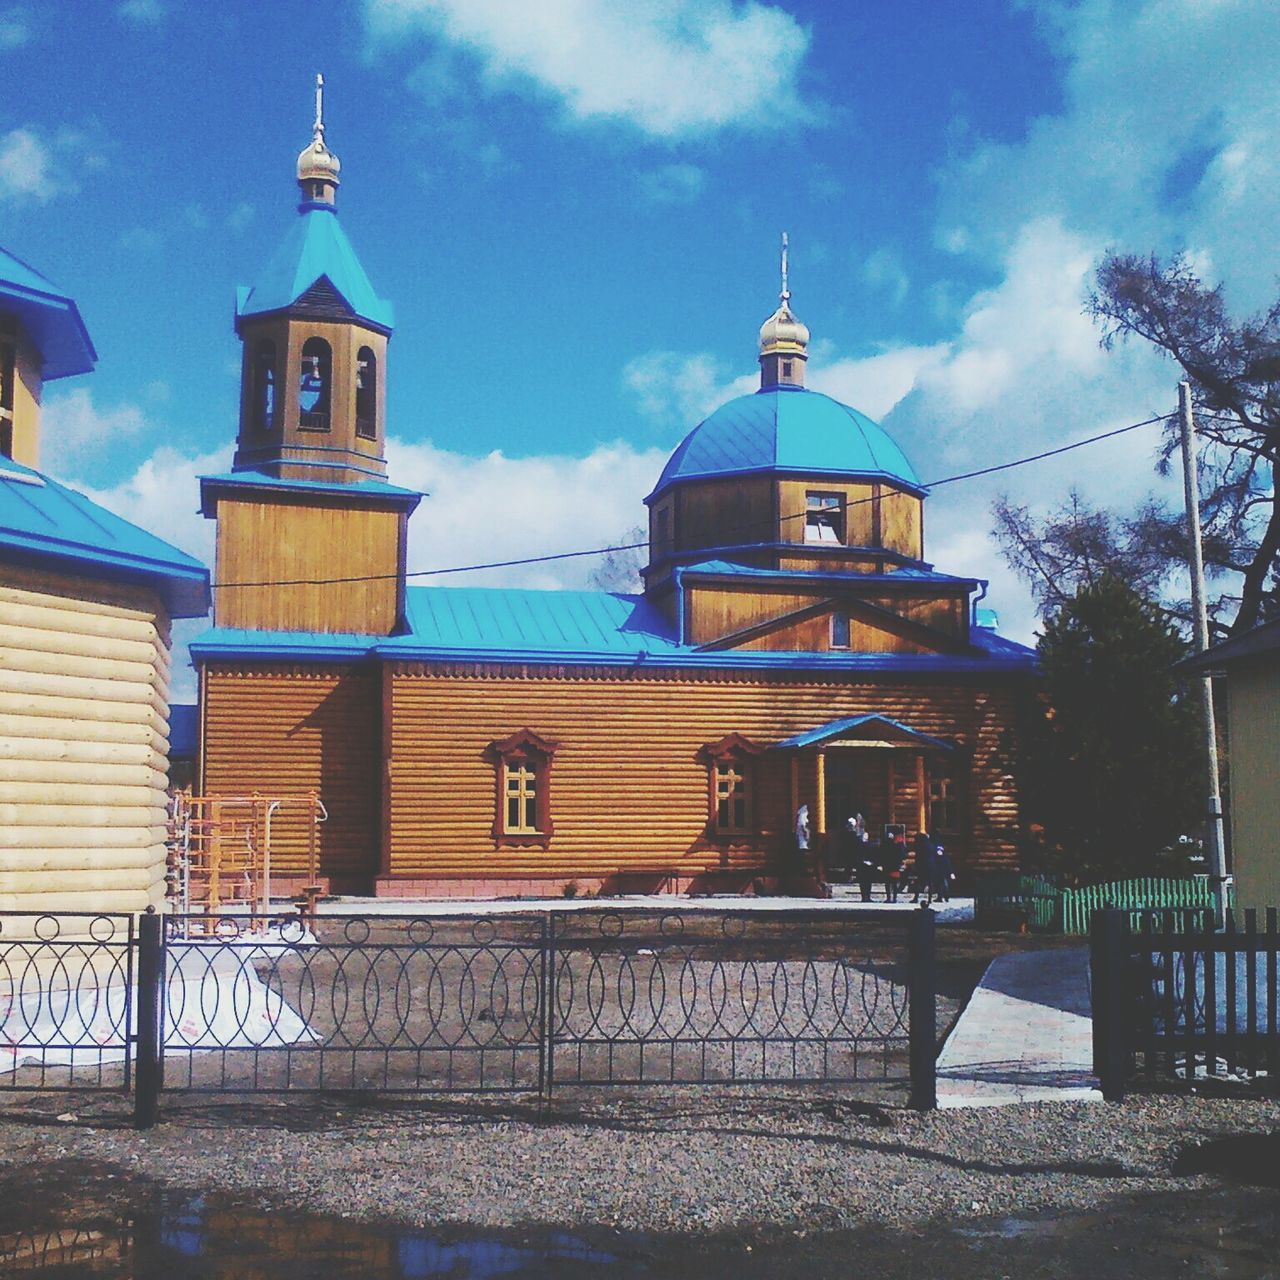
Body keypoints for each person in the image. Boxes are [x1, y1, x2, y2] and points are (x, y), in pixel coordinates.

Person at [849, 814, 876, 902]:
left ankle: (867, 896)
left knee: (868, 881)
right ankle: (864, 896)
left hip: (868, 863)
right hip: (861, 863)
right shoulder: (858, 842)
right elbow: (858, 853)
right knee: (863, 881)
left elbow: (871, 853)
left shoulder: (868, 844)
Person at [912, 830, 937, 904]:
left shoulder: (920, 846)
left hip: (922, 866)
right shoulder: (931, 845)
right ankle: (929, 899)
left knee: (919, 882)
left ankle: (916, 898)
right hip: (931, 866)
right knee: (930, 883)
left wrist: (916, 866)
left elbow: (918, 857)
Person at [881, 831, 907, 903]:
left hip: (887, 866)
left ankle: (889, 898)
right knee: (894, 883)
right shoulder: (897, 845)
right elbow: (900, 855)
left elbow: (882, 855)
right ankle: (894, 898)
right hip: (895, 866)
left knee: (888, 883)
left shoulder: (885, 845)